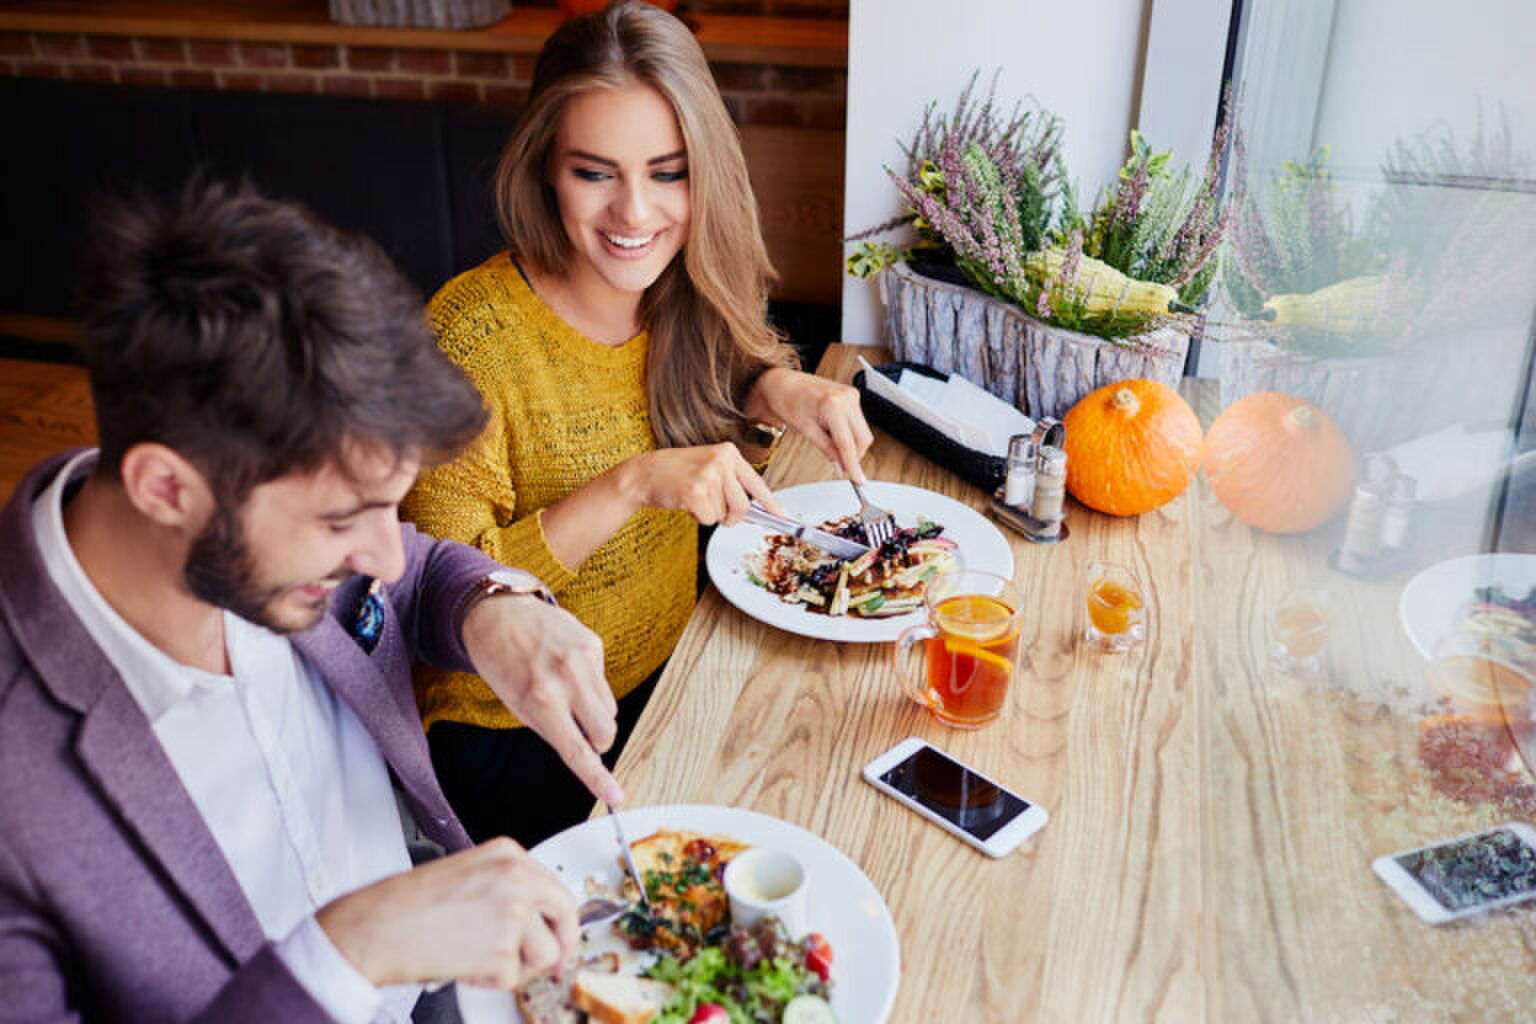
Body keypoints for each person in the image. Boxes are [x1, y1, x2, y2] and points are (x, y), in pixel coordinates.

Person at [0, 179, 628, 1022]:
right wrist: (350, 952)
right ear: (164, 488)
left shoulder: (259, 531)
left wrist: (492, 604)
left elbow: (414, 568)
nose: (380, 551)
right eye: (342, 520)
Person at [401, 0, 874, 848]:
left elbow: (709, 387)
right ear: (546, 165)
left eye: (667, 172)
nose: (635, 213)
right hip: (518, 729)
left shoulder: (679, 281)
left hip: (678, 661)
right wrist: (629, 485)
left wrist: (775, 388)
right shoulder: (470, 335)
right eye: (595, 172)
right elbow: (445, 593)